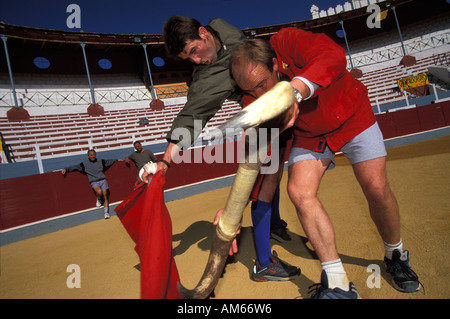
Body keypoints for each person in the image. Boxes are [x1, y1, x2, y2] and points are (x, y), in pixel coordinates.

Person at [229, 33, 421, 298]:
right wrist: (231, 209)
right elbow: (258, 146)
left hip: (354, 116)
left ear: (274, 63)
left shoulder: (287, 41)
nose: (259, 94)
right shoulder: (254, 98)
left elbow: (333, 55)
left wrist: (293, 92)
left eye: (262, 84)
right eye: (249, 90)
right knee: (298, 191)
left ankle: (395, 254)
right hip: (310, 135)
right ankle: (337, 283)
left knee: (376, 187)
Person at [156, 16, 299, 282]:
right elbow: (191, 117)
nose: (196, 61)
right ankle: (264, 263)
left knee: (275, 175)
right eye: (189, 58)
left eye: (194, 51)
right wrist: (165, 162)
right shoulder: (207, 79)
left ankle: (275, 224)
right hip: (259, 115)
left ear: (204, 33)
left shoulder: (223, 27)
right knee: (263, 184)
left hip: (280, 96)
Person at [62, 149, 122, 219]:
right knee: (99, 192)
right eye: (91, 155)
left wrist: (116, 160)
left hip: (103, 180)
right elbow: (75, 167)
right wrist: (66, 169)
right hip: (94, 181)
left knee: (105, 195)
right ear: (88, 156)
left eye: (94, 155)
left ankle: (106, 213)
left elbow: (108, 161)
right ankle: (99, 198)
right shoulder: (84, 164)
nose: (93, 156)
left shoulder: (100, 161)